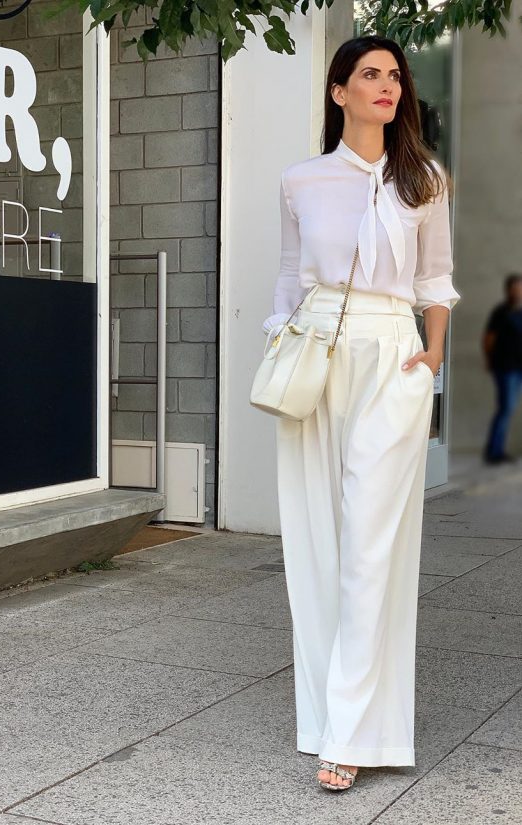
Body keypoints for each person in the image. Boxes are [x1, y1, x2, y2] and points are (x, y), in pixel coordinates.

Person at [261, 34, 460, 791]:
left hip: (392, 355)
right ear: (338, 91)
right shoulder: (301, 180)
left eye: (395, 75)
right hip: (316, 352)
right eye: (369, 74)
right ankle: (324, 719)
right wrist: (281, 342)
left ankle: (351, 732)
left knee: (373, 544)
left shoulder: (425, 180)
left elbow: (436, 281)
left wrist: (432, 360)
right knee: (317, 541)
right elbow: (288, 275)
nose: (387, 85)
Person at [482, 273, 522, 464]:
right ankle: (494, 452)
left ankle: (497, 449)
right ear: (508, 290)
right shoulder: (501, 312)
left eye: (520, 287)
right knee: (505, 408)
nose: (518, 291)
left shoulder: (519, 313)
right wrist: (489, 360)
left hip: (518, 368)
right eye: (515, 287)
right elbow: (489, 339)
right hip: (505, 368)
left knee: (508, 408)